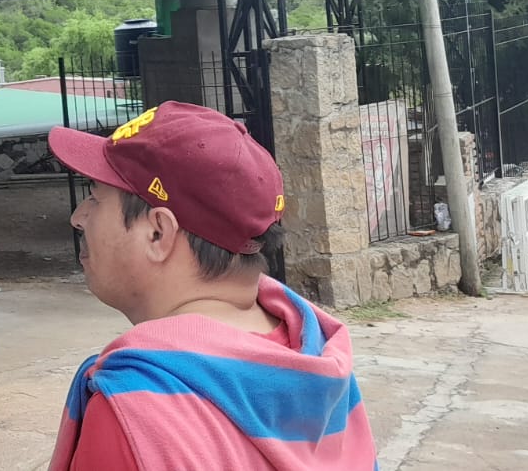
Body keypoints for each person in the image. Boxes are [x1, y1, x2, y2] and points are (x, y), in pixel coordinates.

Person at [46, 101, 377, 470]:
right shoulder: (321, 374)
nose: (78, 218)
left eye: (95, 198)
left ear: (158, 233)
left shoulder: (136, 416)